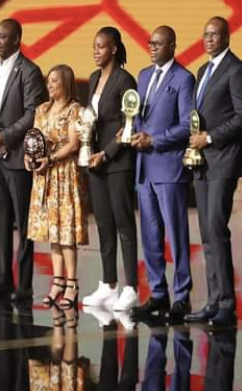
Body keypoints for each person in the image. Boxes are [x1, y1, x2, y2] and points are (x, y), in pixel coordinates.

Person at [184, 16, 242, 327]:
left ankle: (226, 303)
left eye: (214, 34)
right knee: (207, 232)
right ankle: (213, 300)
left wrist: (210, 137)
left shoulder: (236, 70)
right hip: (202, 161)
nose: (209, 39)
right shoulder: (203, 70)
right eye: (206, 34)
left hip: (223, 160)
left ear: (226, 37)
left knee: (216, 227)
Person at [128, 25, 195, 322]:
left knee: (176, 235)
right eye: (150, 43)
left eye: (158, 43)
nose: (152, 48)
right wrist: (130, 132)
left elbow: (186, 125)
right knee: (150, 235)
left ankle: (182, 296)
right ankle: (157, 292)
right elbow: (137, 118)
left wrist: (154, 140)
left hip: (169, 167)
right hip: (144, 168)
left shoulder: (183, 78)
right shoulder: (143, 76)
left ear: (172, 46)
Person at [0, 19, 47, 302]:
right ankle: (2, 279)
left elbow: (33, 113)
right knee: (1, 220)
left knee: (23, 222)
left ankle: (25, 285)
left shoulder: (29, 71)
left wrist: (5, 137)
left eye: (3, 37)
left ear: (17, 39)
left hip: (18, 156)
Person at [80, 27, 139, 312]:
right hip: (95, 162)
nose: (96, 51)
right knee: (103, 222)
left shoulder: (125, 80)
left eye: (101, 46)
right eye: (94, 46)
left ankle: (131, 288)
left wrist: (107, 153)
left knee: (123, 222)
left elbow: (130, 125)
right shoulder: (94, 78)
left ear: (114, 49)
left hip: (117, 163)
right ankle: (108, 284)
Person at [26, 65, 88, 309]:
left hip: (65, 174)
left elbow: (73, 144)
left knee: (66, 231)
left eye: (54, 81)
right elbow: (33, 140)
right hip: (45, 175)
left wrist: (50, 159)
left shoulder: (75, 110)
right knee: (53, 231)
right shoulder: (41, 109)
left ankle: (72, 283)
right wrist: (29, 157)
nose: (49, 85)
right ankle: (57, 281)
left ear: (66, 83)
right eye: (48, 81)